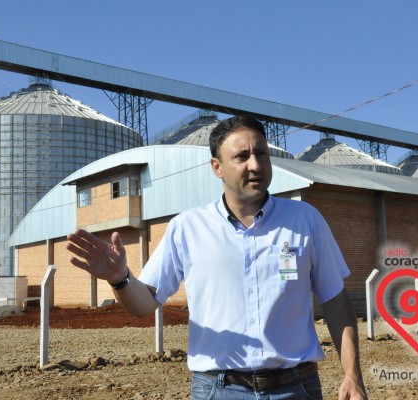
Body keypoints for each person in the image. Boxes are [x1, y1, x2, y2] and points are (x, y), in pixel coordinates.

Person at [66, 115, 368, 399]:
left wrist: (352, 375)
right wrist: (120, 279)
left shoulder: (305, 220)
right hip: (219, 390)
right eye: (241, 157)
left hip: (296, 388)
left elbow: (334, 298)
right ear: (217, 167)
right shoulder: (187, 227)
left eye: (261, 154)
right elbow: (144, 304)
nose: (255, 165)